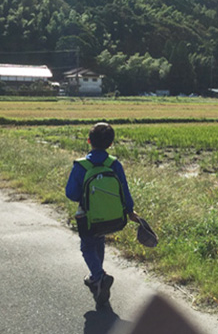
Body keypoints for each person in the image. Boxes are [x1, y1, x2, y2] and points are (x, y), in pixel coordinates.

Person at [65, 122, 139, 305]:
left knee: (87, 247)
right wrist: (130, 211)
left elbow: (71, 193)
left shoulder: (81, 165)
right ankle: (97, 278)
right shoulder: (114, 164)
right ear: (111, 144)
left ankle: (98, 277)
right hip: (112, 217)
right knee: (99, 242)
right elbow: (124, 191)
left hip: (88, 216)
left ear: (89, 140)